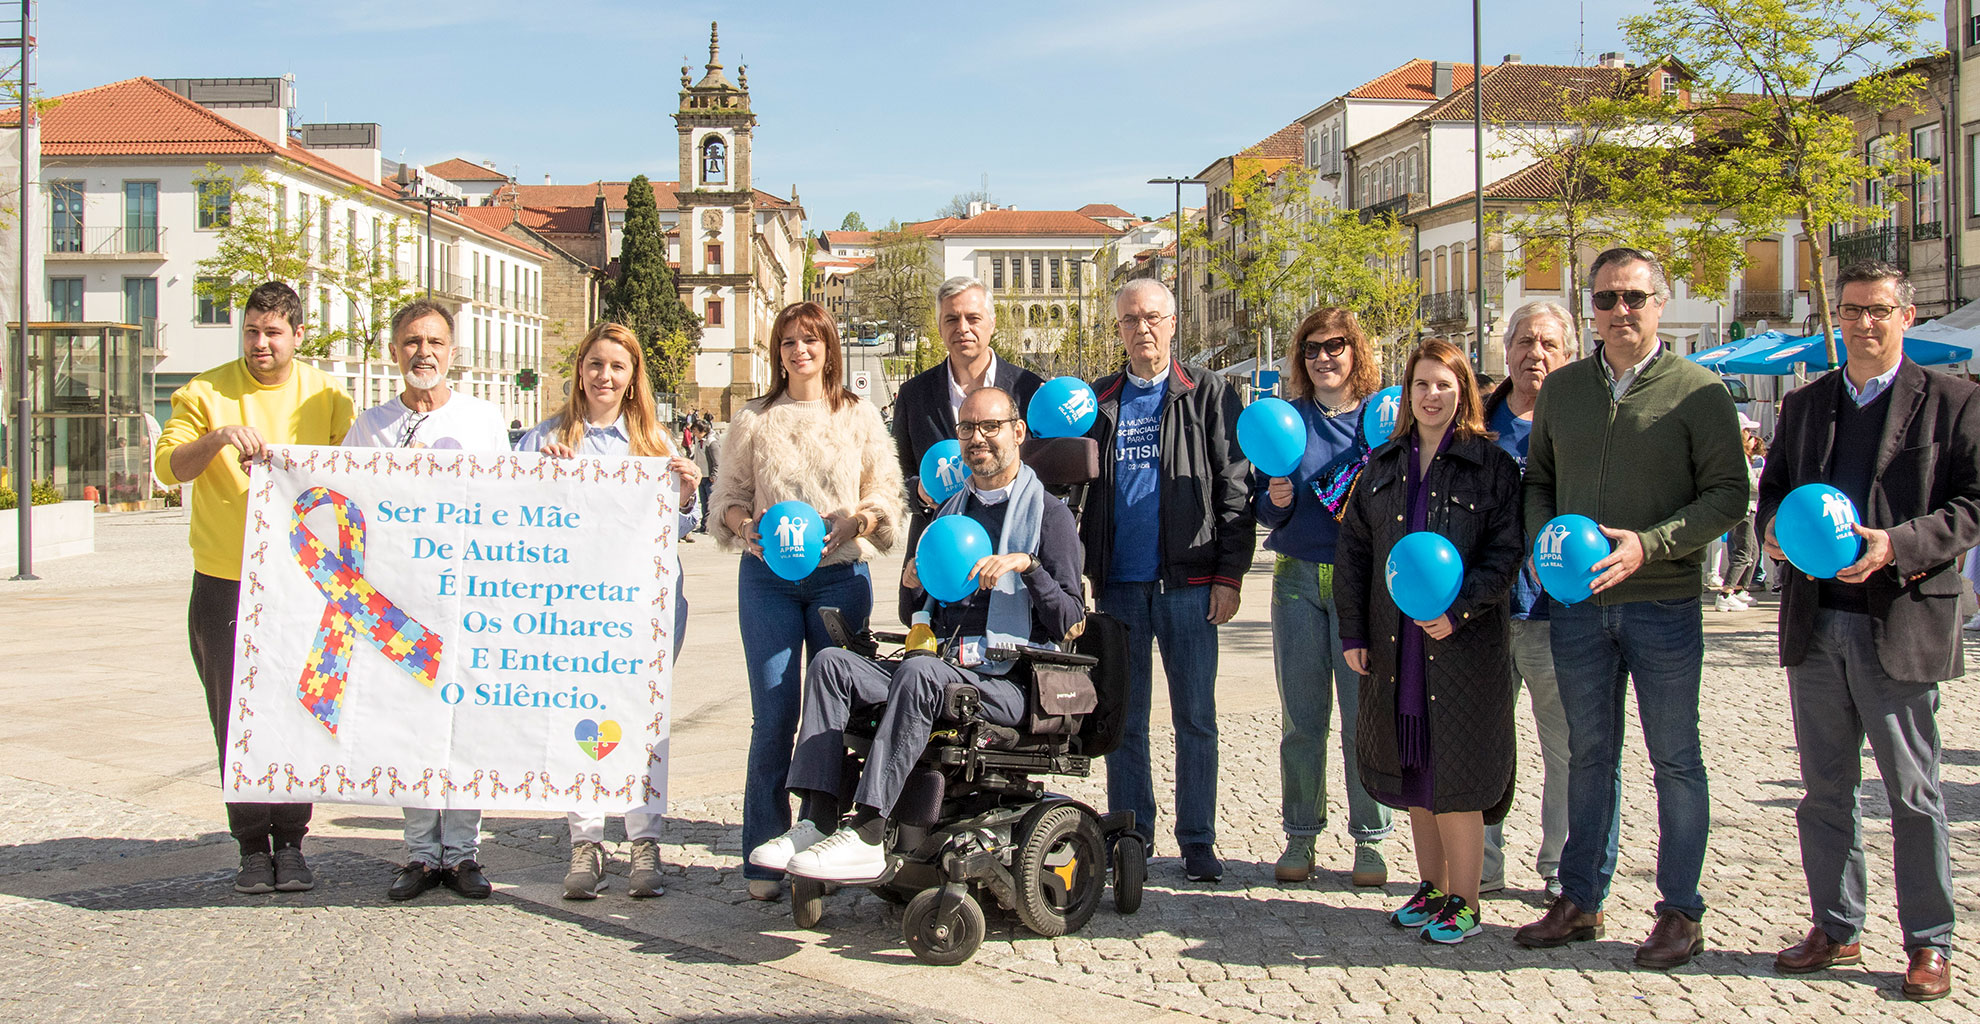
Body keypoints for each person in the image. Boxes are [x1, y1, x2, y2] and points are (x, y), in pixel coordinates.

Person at [1513, 247, 1748, 968]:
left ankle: (1681, 911)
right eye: (1608, 298)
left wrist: (1651, 545)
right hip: (1580, 610)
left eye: (1635, 298)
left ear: (1661, 302)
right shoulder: (1565, 390)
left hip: (1663, 605)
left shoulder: (1700, 391)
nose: (1621, 311)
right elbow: (1538, 484)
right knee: (1590, 756)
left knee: (1677, 760)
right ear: (1591, 306)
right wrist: (1547, 547)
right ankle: (1581, 897)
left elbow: (1728, 496)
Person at [749, 386, 1084, 880]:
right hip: (943, 671)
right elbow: (914, 616)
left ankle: (867, 829)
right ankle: (818, 821)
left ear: (1018, 433)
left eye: (990, 427)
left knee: (922, 672)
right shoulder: (946, 513)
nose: (978, 439)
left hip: (1009, 681)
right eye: (967, 428)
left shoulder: (1050, 516)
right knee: (832, 665)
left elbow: (1072, 621)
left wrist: (1028, 566)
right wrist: (912, 582)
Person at [1757, 262, 1978, 1001]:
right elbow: (1775, 492)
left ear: (1905, 317)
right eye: (1852, 310)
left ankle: (1929, 942)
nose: (1864, 324)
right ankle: (1836, 925)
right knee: (1825, 791)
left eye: (1879, 311)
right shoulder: (1807, 404)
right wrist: (1774, 537)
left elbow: (1972, 507)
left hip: (1901, 621)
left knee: (1912, 794)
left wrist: (1897, 545)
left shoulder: (1952, 402)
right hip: (1816, 626)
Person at [154, 281, 355, 894]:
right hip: (224, 581)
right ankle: (249, 845)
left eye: (273, 332)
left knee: (299, 710)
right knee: (232, 714)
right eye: (251, 331)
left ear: (299, 335)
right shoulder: (204, 392)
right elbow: (169, 469)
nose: (260, 343)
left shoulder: (327, 396)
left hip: (300, 582)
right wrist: (218, 437)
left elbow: (351, 476)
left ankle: (292, 842)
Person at [708, 301, 906, 901]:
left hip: (838, 579)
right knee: (772, 717)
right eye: (789, 342)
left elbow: (887, 498)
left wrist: (856, 523)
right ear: (778, 353)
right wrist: (748, 528)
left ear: (829, 349)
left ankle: (825, 842)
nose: (800, 351)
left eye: (811, 341)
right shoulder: (754, 418)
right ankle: (763, 854)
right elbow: (728, 498)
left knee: (837, 717)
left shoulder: (859, 417)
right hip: (766, 579)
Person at [1336, 339, 1523, 944]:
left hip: (1461, 645)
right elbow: (1355, 554)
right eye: (1421, 384)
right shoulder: (1384, 464)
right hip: (1396, 643)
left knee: (1457, 767)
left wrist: (1461, 610)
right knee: (1410, 761)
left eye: (1444, 384)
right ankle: (1432, 888)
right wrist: (1355, 632)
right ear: (1407, 393)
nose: (1431, 395)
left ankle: (1465, 900)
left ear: (1463, 390)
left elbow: (1504, 554)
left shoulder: (1491, 467)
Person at [516, 321, 702, 901]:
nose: (605, 376)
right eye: (596, 364)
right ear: (580, 369)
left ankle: (644, 839)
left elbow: (680, 527)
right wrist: (539, 478)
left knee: (643, 722)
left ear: (632, 377)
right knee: (579, 717)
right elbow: (516, 523)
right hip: (573, 610)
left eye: (618, 367)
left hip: (646, 607)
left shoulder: (655, 443)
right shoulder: (544, 439)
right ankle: (586, 840)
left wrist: (689, 493)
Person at [1083, 278, 1253, 883]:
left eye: (1153, 317)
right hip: (1120, 589)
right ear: (1119, 330)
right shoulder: (1099, 401)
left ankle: (1198, 840)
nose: (1142, 329)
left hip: (1189, 585)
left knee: (1196, 719)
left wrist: (1229, 576)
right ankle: (1133, 837)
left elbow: (1236, 489)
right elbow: (1073, 490)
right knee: (1123, 721)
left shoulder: (1208, 394)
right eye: (1130, 320)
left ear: (1174, 323)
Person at [342, 300, 509, 902]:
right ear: (394, 351)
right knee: (411, 724)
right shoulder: (370, 426)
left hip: (469, 595)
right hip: (399, 601)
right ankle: (418, 853)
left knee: (465, 723)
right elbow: (345, 501)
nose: (424, 353)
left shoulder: (484, 419)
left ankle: (463, 852)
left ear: (453, 352)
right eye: (412, 342)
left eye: (435, 342)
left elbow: (508, 501)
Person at [1251, 306, 1394, 886]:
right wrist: (1276, 499)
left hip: (1364, 581)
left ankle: (1371, 842)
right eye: (1312, 348)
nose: (1324, 357)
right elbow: (1262, 507)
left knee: (1365, 718)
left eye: (1335, 345)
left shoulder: (1382, 419)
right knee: (1302, 719)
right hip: (1296, 578)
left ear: (1355, 351)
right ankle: (1301, 836)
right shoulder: (1287, 420)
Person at [1479, 300, 1575, 900]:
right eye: (1524, 342)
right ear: (1506, 350)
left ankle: (1561, 865)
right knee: (1485, 744)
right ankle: (1482, 864)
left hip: (1554, 614)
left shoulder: (1580, 423)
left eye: (1548, 344)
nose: (1534, 354)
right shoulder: (1478, 422)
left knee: (1564, 747)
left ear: (1567, 354)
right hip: (1483, 612)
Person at [891, 276, 1044, 621]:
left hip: (1007, 550)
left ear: (991, 322)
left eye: (973, 318)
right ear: (940, 327)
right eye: (951, 319)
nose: (963, 328)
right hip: (937, 555)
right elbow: (894, 473)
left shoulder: (1027, 389)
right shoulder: (915, 394)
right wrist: (915, 490)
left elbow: (1043, 473)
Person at [1716, 422, 1766, 611]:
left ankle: (1738, 590)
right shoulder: (1736, 455)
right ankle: (1726, 593)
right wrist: (1764, 479)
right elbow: (1749, 483)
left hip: (1748, 507)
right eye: (1748, 431)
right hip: (1742, 508)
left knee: (1752, 551)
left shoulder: (1741, 455)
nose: (1752, 436)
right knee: (1744, 552)